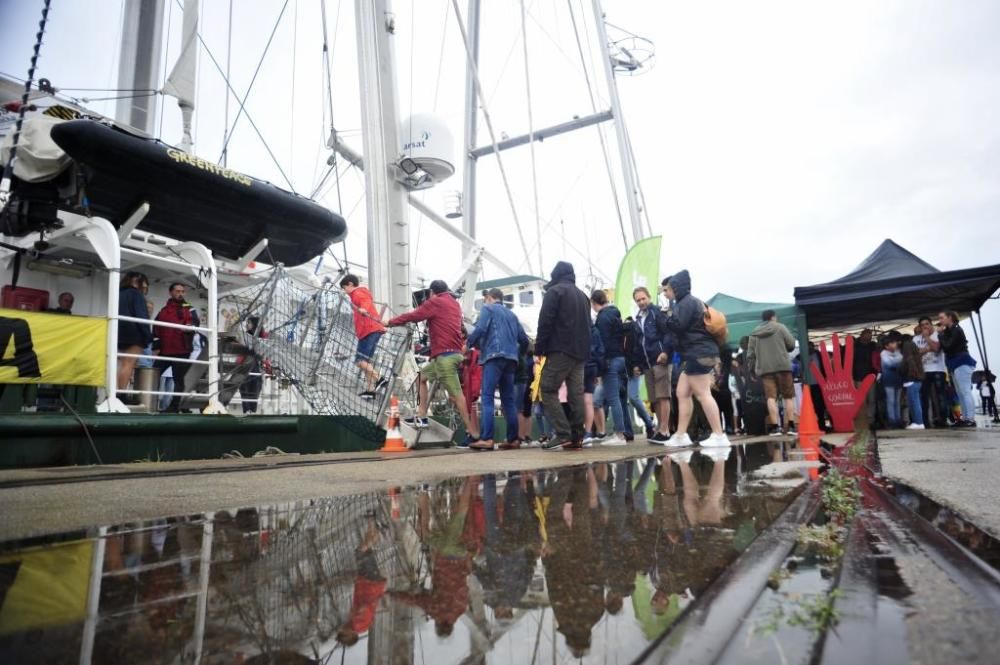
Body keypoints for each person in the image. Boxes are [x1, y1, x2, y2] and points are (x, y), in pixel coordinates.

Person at [387, 280, 481, 442]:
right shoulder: (454, 304)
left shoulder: (435, 301)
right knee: (421, 378)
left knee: (458, 396)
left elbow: (414, 316)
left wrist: (389, 322)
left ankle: (472, 434)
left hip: (444, 357)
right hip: (451, 355)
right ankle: (422, 416)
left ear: (432, 292)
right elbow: (460, 328)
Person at [659, 270, 730, 447]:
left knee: (703, 394)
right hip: (698, 353)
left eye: (670, 288)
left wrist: (665, 317)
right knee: (682, 393)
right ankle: (681, 435)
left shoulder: (685, 303)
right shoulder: (693, 302)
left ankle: (719, 436)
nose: (668, 292)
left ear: (677, 287)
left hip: (697, 354)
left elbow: (678, 326)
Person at [535, 261, 591, 450]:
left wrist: (539, 348)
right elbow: (588, 326)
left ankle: (563, 433)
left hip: (560, 349)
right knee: (576, 394)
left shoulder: (555, 292)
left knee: (548, 389)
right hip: (580, 352)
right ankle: (577, 435)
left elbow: (545, 322)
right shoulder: (583, 296)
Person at [467, 288, 530, 450]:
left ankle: (487, 438)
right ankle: (513, 439)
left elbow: (480, 329)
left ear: (489, 298)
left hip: (493, 356)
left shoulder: (488, 308)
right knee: (508, 400)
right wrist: (518, 355)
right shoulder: (512, 315)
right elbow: (524, 340)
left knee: (487, 397)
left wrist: (467, 345)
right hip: (511, 360)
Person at [631, 286, 674, 442]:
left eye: (643, 298)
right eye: (638, 300)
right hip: (647, 363)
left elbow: (668, 334)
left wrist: (666, 352)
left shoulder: (657, 313)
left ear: (649, 297)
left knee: (663, 396)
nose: (641, 302)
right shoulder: (638, 318)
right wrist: (637, 364)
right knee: (654, 399)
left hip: (660, 359)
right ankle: (660, 428)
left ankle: (665, 430)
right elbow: (638, 343)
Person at [747, 309, 799, 436]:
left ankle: (775, 427)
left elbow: (750, 355)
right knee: (788, 396)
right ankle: (791, 426)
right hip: (783, 367)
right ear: (773, 317)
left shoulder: (755, 333)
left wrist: (751, 369)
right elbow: (791, 345)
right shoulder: (781, 327)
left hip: (766, 369)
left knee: (771, 398)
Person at [339, 274, 389, 399]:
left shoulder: (358, 293)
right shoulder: (355, 295)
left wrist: (363, 309)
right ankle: (370, 390)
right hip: (371, 330)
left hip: (369, 330)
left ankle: (380, 379)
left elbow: (365, 301)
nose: (344, 291)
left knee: (359, 361)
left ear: (350, 284)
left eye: (344, 287)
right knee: (366, 361)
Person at [590, 289, 629, 446]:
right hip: (621, 358)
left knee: (613, 398)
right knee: (618, 398)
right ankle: (622, 433)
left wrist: (600, 366)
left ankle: (620, 435)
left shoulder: (602, 318)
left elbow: (602, 343)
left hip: (610, 360)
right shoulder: (615, 314)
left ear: (594, 303)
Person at [154, 282, 200, 412]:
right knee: (153, 375)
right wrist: (156, 347)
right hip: (165, 351)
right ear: (171, 292)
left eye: (182, 291)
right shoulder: (163, 311)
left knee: (179, 381)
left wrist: (189, 327)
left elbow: (196, 324)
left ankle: (174, 407)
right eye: (177, 291)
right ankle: (148, 403)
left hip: (182, 351)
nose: (180, 294)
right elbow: (156, 327)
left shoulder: (189, 308)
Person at [937, 310, 978, 427]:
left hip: (962, 362)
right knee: (960, 393)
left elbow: (948, 346)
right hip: (955, 364)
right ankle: (965, 418)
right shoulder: (949, 331)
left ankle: (970, 418)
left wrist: (940, 334)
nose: (940, 321)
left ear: (950, 317)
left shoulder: (956, 330)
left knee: (965, 391)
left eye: (942, 317)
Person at [117, 272, 153, 402]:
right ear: (137, 281)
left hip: (120, 332)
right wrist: (148, 336)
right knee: (129, 364)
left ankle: (119, 392)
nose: (145, 285)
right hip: (134, 333)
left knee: (123, 364)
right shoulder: (136, 294)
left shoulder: (120, 293)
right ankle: (121, 395)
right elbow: (141, 315)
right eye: (144, 282)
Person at [623, 315, 656, 439]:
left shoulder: (634, 331)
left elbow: (638, 349)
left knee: (633, 397)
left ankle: (649, 423)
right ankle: (628, 430)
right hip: (625, 368)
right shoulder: (625, 332)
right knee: (625, 400)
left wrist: (637, 366)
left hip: (633, 368)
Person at [914, 316, 950, 427]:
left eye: (926, 324)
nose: (924, 326)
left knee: (941, 397)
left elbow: (937, 349)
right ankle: (926, 422)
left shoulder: (938, 335)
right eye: (922, 325)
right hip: (923, 371)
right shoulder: (915, 339)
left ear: (931, 324)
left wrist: (927, 339)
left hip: (938, 369)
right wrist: (929, 347)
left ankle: (943, 420)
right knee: (924, 398)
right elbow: (915, 355)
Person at [582, 322, 606, 445]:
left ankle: (577, 432)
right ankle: (587, 433)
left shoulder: (574, 326)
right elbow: (600, 351)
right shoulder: (594, 329)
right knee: (588, 399)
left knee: (575, 399)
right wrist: (599, 372)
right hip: (592, 367)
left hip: (579, 365)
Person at [900, 332, 925, 429]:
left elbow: (907, 364)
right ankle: (917, 422)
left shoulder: (907, 349)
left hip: (912, 379)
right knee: (914, 401)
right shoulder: (915, 353)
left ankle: (918, 422)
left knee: (914, 401)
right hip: (916, 379)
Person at [880, 336, 904, 428]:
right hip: (888, 380)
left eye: (895, 342)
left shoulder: (898, 352)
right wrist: (899, 362)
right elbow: (889, 364)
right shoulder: (883, 353)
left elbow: (900, 362)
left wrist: (897, 362)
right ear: (886, 346)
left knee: (897, 401)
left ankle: (898, 420)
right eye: (892, 343)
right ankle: (892, 420)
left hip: (898, 379)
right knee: (891, 401)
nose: (895, 344)